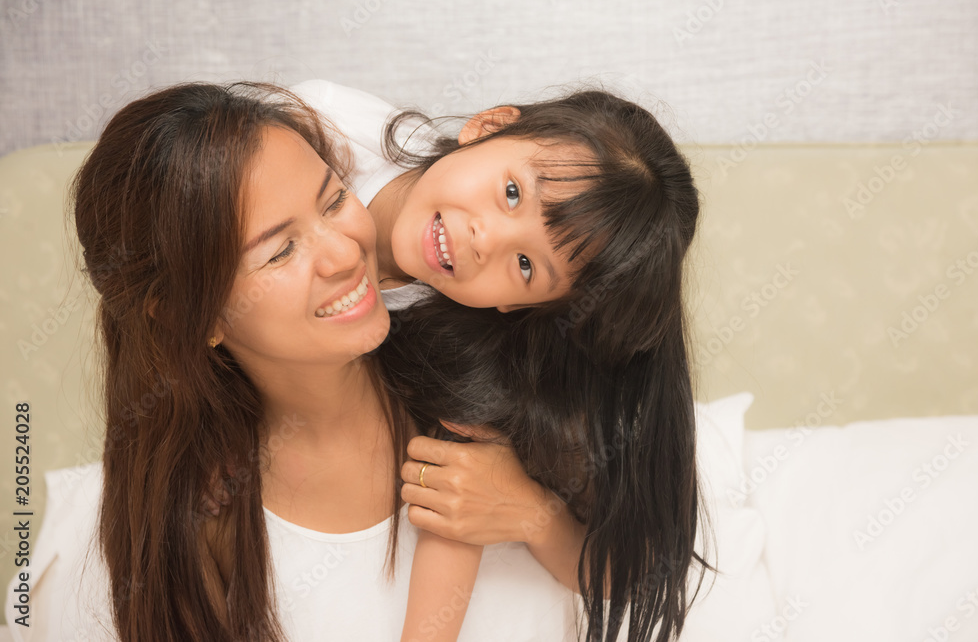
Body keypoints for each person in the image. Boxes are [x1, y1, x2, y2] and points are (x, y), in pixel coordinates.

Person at [7, 81, 588, 641]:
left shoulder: (502, 410)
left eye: (336, 199)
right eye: (281, 250)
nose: (345, 253)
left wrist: (539, 517)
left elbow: (653, 580)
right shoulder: (128, 548)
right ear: (192, 315)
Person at [288, 81, 714, 641]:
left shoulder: (468, 359)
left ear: (515, 305)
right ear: (488, 127)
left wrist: (532, 514)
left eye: (526, 265)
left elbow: (461, 504)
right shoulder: (332, 127)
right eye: (512, 193)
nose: (485, 239)